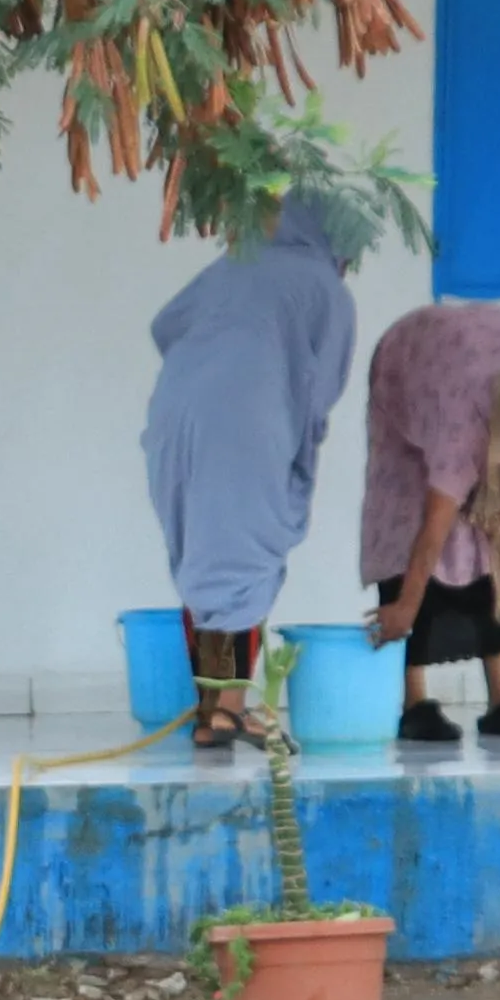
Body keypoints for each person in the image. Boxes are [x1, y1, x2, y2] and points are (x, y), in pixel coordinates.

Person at [137, 201, 361, 748]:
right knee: (243, 560)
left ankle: (212, 707)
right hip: (246, 419)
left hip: (174, 416)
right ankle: (228, 711)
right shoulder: (323, 286)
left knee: (207, 556)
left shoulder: (230, 265)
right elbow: (322, 385)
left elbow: (166, 323)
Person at [355, 297, 500, 754]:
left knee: (495, 538)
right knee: (407, 514)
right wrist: (404, 608)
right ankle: (413, 700)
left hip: (472, 351)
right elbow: (431, 532)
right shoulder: (459, 430)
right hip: (412, 359)